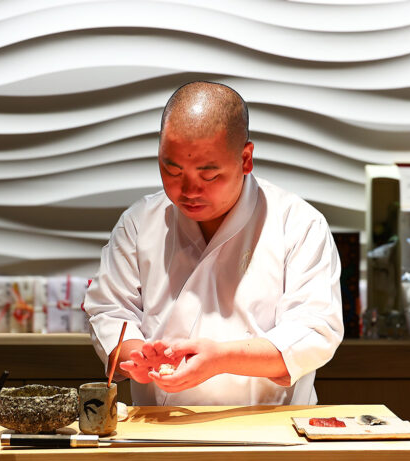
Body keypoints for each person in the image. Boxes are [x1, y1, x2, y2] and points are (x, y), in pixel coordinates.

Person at [84, 81, 343, 406]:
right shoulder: (140, 222)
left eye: (208, 175)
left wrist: (219, 358)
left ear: (246, 159)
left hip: (270, 431)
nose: (189, 189)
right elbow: (109, 309)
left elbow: (314, 330)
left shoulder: (297, 223)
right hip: (160, 430)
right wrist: (140, 357)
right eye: (172, 169)